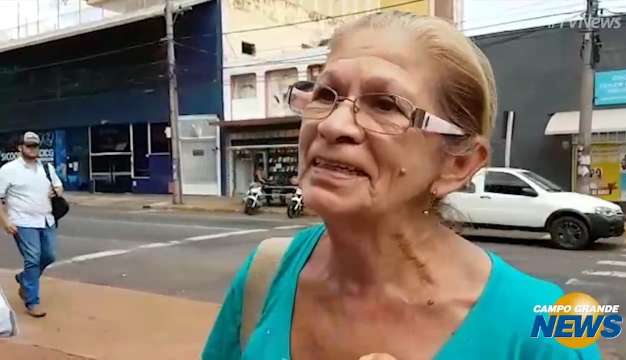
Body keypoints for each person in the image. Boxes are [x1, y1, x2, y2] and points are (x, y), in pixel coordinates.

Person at [202, 12, 600, 359]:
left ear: (457, 165)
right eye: (326, 94)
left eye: (386, 105)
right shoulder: (267, 273)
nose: (332, 124)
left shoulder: (551, 328)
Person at [0, 132, 63, 318]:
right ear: (20, 148)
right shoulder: (8, 170)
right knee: (33, 258)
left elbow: (59, 186)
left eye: (35, 145)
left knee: (49, 256)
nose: (33, 149)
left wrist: (56, 191)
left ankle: (25, 278)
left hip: (46, 219)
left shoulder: (46, 167)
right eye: (29, 145)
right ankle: (32, 301)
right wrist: (5, 221)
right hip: (22, 222)